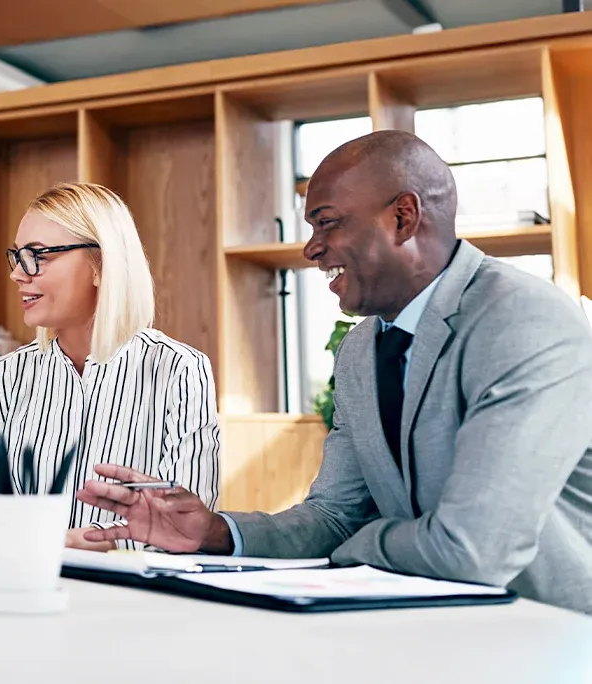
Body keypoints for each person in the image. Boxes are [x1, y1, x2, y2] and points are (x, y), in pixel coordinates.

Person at [78, 130, 592, 615]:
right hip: (432, 630)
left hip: (550, 635)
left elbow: (473, 551)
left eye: (327, 222)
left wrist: (361, 541)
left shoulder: (523, 320)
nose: (311, 249)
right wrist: (213, 532)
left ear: (403, 218)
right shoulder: (360, 349)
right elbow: (333, 516)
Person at [0, 181, 221, 551]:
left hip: (132, 601)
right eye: (16, 257)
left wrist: (89, 543)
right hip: (25, 591)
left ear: (101, 264)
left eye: (38, 255)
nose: (17, 273)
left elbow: (185, 527)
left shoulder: (179, 370)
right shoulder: (5, 377)